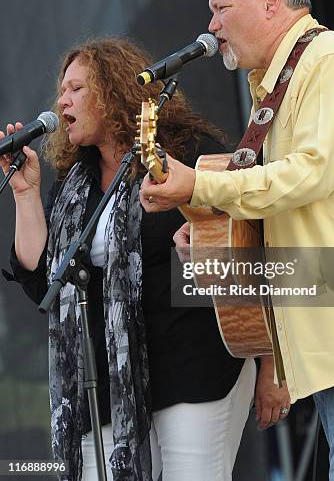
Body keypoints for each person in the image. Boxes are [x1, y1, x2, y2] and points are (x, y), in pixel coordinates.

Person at [140, 0, 334, 480]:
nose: (212, 23)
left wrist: (199, 185)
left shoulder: (332, 61)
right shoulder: (283, 79)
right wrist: (207, 232)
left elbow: (309, 173)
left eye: (222, 9)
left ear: (270, 2)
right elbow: (292, 199)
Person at [0, 37, 289, 481]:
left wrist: (272, 363)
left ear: (114, 90)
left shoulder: (187, 155)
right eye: (62, 90)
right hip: (113, 383)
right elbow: (46, 284)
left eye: (76, 89)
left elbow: (253, 253)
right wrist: (25, 195)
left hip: (193, 364)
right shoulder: (76, 184)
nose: (62, 100)